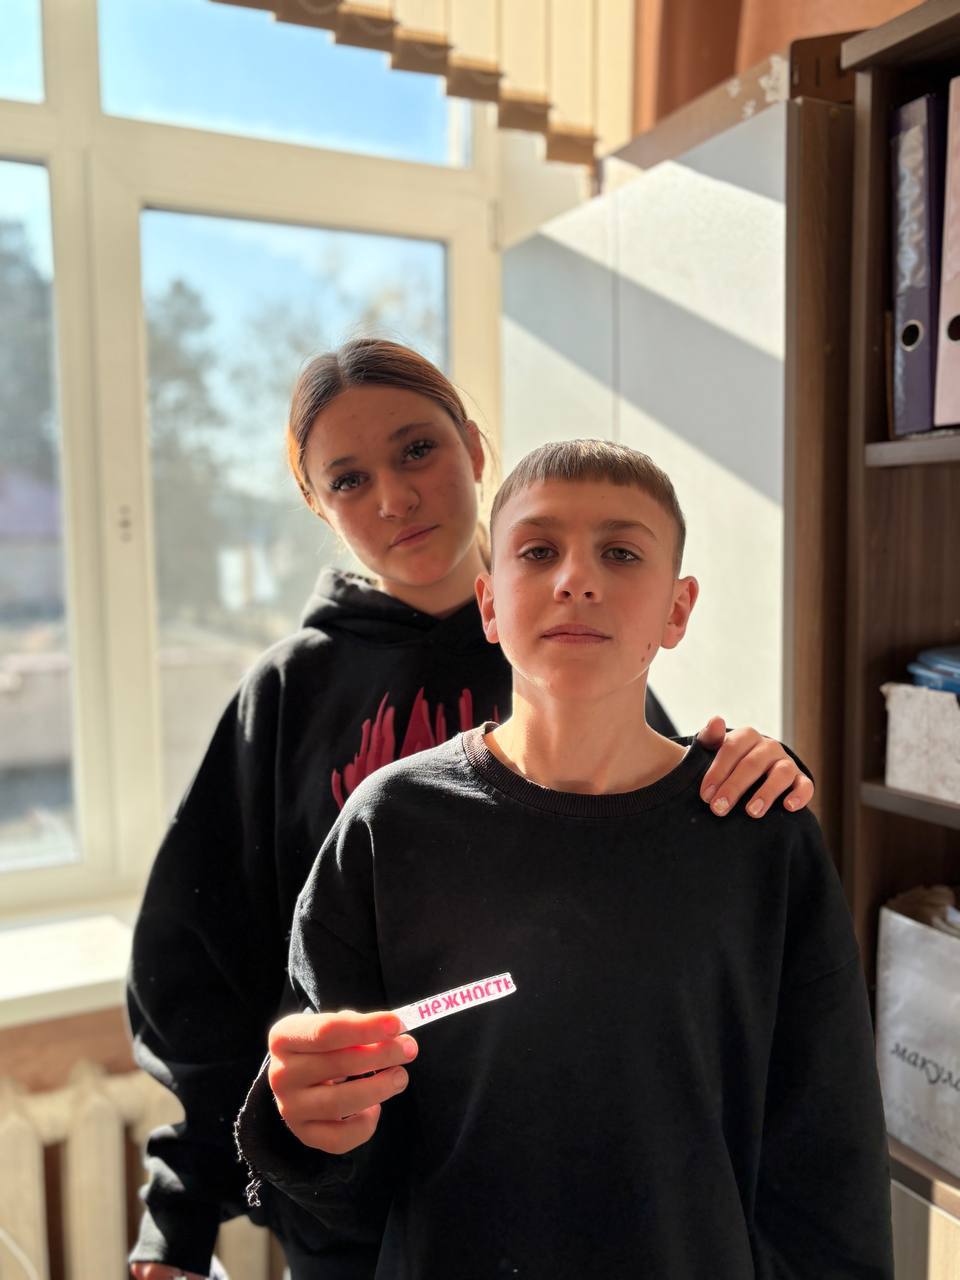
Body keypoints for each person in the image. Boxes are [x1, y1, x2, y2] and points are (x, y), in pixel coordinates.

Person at [128, 344, 816, 1280]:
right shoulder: (287, 697)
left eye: (417, 450)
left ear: (474, 448)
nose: (394, 497)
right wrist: (179, 1210)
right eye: (348, 479)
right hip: (354, 1212)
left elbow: (666, 906)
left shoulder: (572, 648)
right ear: (317, 506)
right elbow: (200, 965)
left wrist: (756, 776)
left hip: (571, 1194)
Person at [239, 438, 893, 1279]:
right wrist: (308, 1124)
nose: (576, 578)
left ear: (677, 610)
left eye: (620, 553)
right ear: (489, 603)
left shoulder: (757, 831)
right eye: (538, 551)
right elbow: (342, 1160)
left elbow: (827, 1159)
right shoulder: (388, 826)